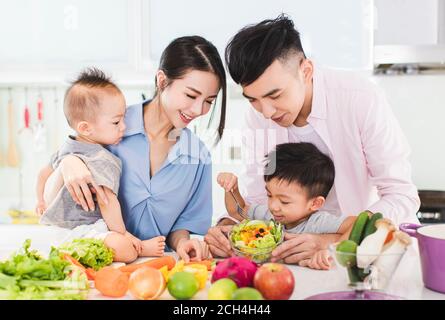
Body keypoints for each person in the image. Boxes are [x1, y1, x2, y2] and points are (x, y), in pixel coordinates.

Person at [205, 14, 420, 265]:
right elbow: (257, 199)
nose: (266, 112)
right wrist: (225, 227)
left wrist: (331, 243)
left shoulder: (359, 98)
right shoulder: (258, 118)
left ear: (306, 71)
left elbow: (400, 194)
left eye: (275, 94)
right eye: (252, 99)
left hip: (369, 256)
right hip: (293, 260)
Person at [42, 36, 227, 262]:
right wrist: (67, 162)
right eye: (190, 95)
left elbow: (183, 226)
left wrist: (183, 242)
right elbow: (67, 159)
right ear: (162, 81)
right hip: (96, 262)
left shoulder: (199, 157)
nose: (198, 109)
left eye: (209, 101)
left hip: (154, 268)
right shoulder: (112, 124)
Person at [36, 68, 165, 262]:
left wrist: (41, 201)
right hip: (87, 228)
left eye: (123, 119)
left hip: (60, 229)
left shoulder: (67, 148)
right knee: (126, 250)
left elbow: (43, 173)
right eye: (116, 122)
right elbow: (107, 202)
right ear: (85, 128)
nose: (124, 127)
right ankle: (140, 247)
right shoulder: (102, 159)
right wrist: (124, 234)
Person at [217, 142, 355, 270]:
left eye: (284, 201)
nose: (273, 206)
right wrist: (232, 189)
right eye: (269, 195)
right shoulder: (268, 216)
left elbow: (358, 223)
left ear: (315, 203)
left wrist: (332, 250)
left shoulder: (318, 223)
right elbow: (238, 211)